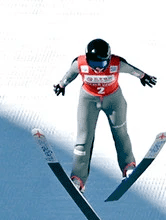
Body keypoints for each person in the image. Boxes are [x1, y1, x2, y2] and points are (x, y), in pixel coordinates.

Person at [53, 38, 157, 192]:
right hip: (88, 100)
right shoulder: (80, 63)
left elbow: (132, 70)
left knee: (120, 133)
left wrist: (143, 76)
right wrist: (61, 85)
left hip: (113, 99)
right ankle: (78, 178)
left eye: (101, 64)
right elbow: (70, 74)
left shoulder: (116, 63)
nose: (97, 69)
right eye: (93, 64)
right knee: (83, 139)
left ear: (108, 59)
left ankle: (128, 166)